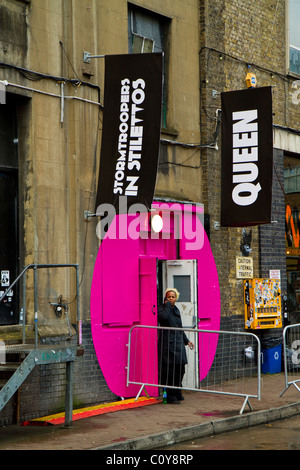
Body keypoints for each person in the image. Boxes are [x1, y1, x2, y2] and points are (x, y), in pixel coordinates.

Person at [157, 288, 194, 404]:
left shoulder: (176, 310)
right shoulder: (162, 309)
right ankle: (170, 395)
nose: (171, 299)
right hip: (167, 344)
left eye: (173, 297)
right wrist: (167, 306)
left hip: (178, 344)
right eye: (169, 297)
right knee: (169, 371)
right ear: (165, 298)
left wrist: (187, 341)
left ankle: (177, 391)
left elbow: (179, 328)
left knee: (180, 369)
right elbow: (163, 318)